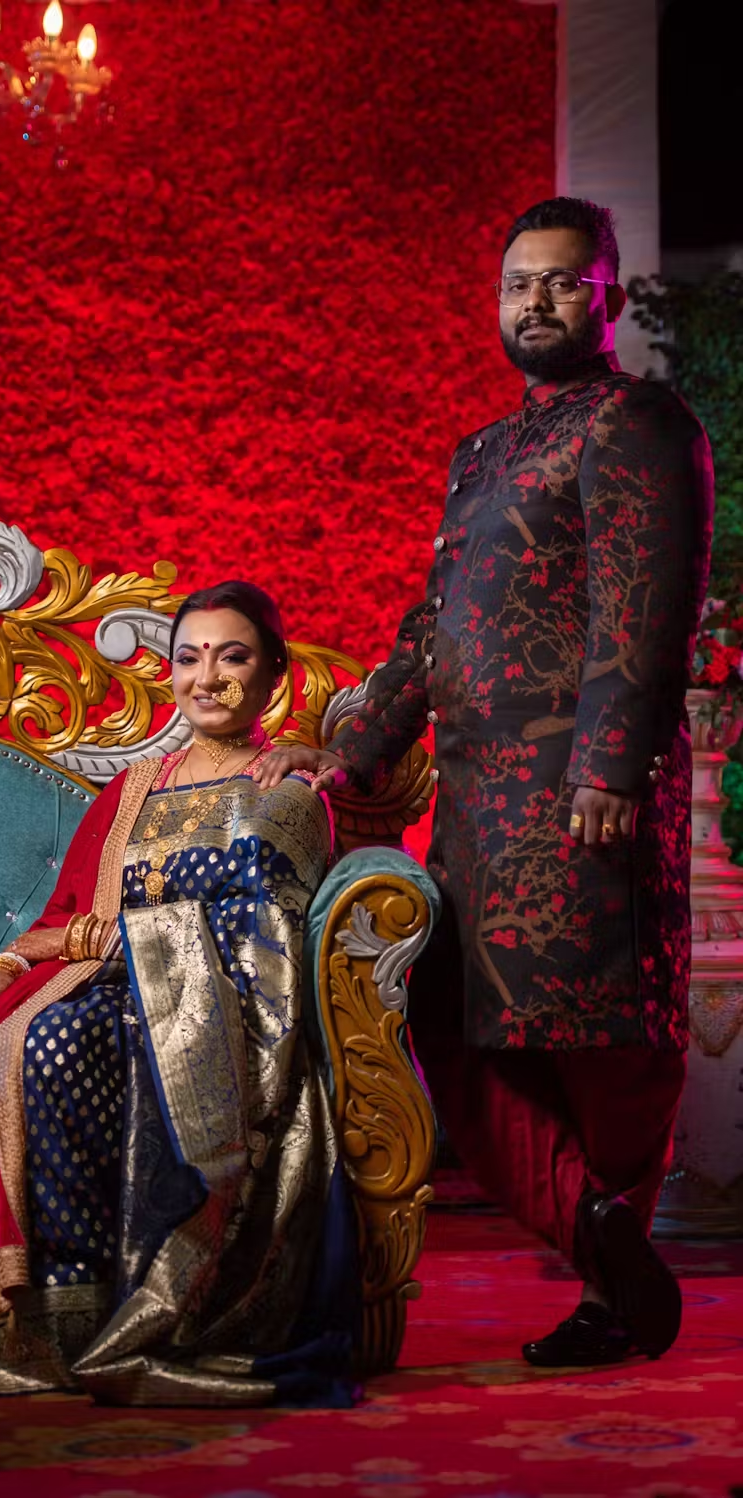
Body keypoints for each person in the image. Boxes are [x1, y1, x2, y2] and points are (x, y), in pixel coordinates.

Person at [258, 197, 714, 1367]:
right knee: (453, 1028)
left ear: (604, 295)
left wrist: (612, 765)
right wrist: (356, 746)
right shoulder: (485, 450)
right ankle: (604, 1243)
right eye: (519, 283)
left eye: (562, 282)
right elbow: (436, 627)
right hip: (478, 805)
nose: (537, 301)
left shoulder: (638, 420)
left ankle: (610, 1287)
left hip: (582, 795)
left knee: (610, 1040)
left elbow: (647, 603)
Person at [0, 581, 359, 1405]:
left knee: (51, 1041)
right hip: (115, 987)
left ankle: (116, 1308)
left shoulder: (287, 789)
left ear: (274, 673)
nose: (206, 677)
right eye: (189, 658)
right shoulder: (133, 789)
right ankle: (43, 1315)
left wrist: (140, 950)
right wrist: (10, 963)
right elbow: (64, 914)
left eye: (233, 655)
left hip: (220, 1016)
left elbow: (265, 939)